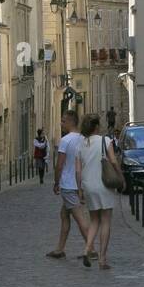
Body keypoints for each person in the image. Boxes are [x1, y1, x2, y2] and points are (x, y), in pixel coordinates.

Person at [76, 112, 122, 269]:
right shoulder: (105, 140)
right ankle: (102, 259)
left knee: (94, 220)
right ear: (96, 127)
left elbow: (78, 170)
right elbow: (114, 161)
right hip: (104, 184)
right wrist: (121, 176)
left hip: (88, 185)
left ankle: (87, 248)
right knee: (106, 221)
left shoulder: (81, 144)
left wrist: (80, 190)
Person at [46, 110, 89, 259]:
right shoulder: (83, 139)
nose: (61, 123)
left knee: (79, 218)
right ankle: (60, 249)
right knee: (64, 214)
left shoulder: (65, 140)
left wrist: (56, 182)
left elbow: (59, 165)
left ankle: (92, 249)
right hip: (79, 183)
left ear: (71, 122)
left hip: (69, 184)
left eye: (63, 121)